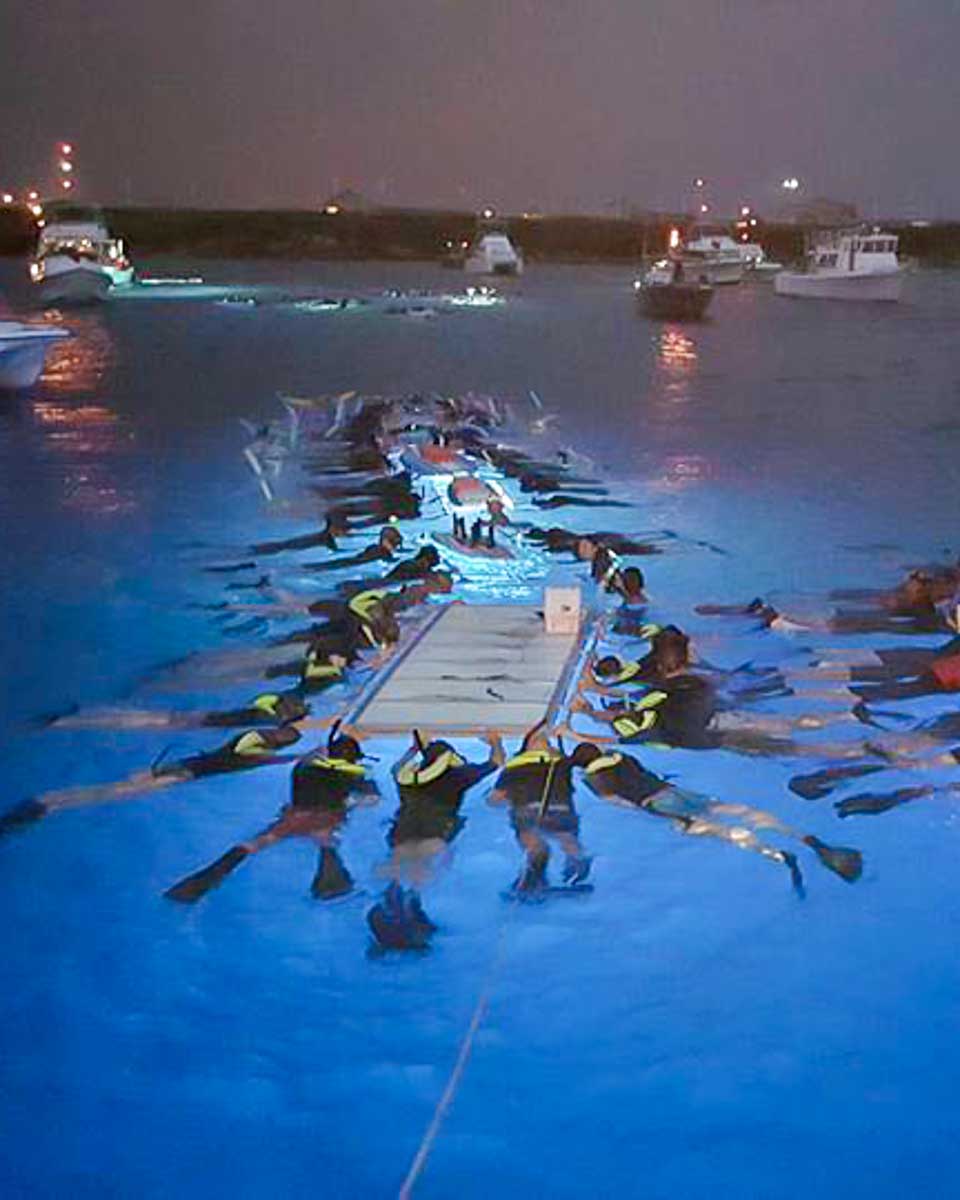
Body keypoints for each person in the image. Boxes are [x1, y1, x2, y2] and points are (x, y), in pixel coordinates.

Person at [567, 742, 862, 895]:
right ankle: (808, 840)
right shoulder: (619, 756)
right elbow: (645, 771)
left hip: (657, 803)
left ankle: (780, 856)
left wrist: (654, 812)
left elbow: (619, 802)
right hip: (674, 790)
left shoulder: (594, 780)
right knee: (736, 811)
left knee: (721, 832)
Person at [165, 728, 380, 903]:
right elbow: (371, 801)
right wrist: (351, 802)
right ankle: (332, 888)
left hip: (292, 817)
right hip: (326, 819)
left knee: (257, 842)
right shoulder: (356, 774)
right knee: (327, 841)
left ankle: (202, 882)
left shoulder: (304, 765)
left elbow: (316, 758)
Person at [0, 725, 304, 839]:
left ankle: (47, 802)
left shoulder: (253, 738)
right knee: (115, 793)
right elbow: (259, 759)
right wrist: (295, 757)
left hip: (182, 763)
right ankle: (46, 805)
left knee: (113, 788)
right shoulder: (253, 748)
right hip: (185, 772)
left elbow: (259, 757)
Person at [366, 732, 504, 950]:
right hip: (435, 833)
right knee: (425, 869)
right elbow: (496, 762)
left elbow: (396, 767)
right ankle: (412, 911)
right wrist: (495, 742)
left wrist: (413, 749)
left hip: (402, 833)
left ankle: (392, 905)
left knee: (399, 866)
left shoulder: (406, 778)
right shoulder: (457, 775)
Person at [487, 721, 591, 897]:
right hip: (559, 811)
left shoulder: (516, 767)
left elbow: (495, 799)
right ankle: (574, 872)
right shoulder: (562, 763)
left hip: (531, 811)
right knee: (567, 841)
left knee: (538, 845)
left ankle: (532, 883)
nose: (543, 741)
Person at [40, 690, 309, 732]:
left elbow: (263, 699)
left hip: (201, 719)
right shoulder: (270, 719)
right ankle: (74, 719)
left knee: (141, 718)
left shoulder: (266, 710)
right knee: (141, 720)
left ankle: (79, 716)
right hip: (200, 722)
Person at [301, 524, 402, 572]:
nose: (394, 547)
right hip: (353, 563)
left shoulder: (373, 547)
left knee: (326, 565)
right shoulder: (384, 554)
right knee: (328, 566)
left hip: (352, 560)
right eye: (394, 544)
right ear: (385, 541)